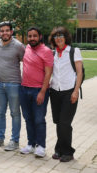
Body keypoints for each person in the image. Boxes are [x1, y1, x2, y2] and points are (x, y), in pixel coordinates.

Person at [49, 27, 83, 162]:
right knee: (58, 122)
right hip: (55, 92)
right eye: (56, 36)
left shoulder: (74, 51)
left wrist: (76, 91)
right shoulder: (53, 53)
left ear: (66, 37)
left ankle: (68, 152)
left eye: (61, 35)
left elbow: (79, 73)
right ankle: (59, 149)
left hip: (69, 92)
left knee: (65, 123)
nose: (58, 38)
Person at [0, 21, 25, 151]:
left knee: (15, 113)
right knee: (0, 113)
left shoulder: (18, 46)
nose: (4, 33)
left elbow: (27, 61)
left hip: (14, 84)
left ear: (11, 32)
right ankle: (0, 138)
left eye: (7, 30)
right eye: (2, 30)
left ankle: (14, 140)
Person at [20, 27, 53, 158]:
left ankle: (41, 146)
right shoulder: (27, 48)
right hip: (24, 89)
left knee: (39, 119)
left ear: (40, 37)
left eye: (34, 36)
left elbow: (48, 73)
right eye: (30, 36)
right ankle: (30, 144)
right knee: (28, 119)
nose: (32, 38)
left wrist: (42, 92)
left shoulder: (46, 51)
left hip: (39, 90)